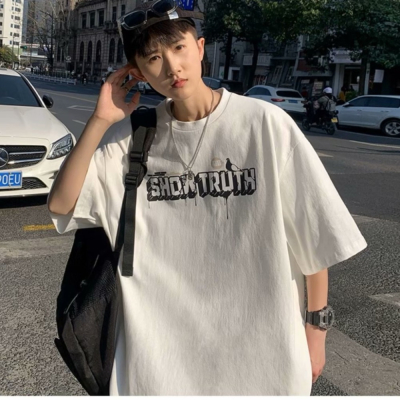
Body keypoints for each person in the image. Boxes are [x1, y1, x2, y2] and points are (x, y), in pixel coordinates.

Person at [47, 0, 367, 395]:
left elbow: (313, 238)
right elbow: (61, 204)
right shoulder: (132, 138)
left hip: (261, 357)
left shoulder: (264, 124)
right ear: (137, 72)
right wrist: (100, 121)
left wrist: (315, 333)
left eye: (179, 48)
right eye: (153, 58)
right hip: (159, 364)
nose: (172, 67)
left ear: (200, 48)